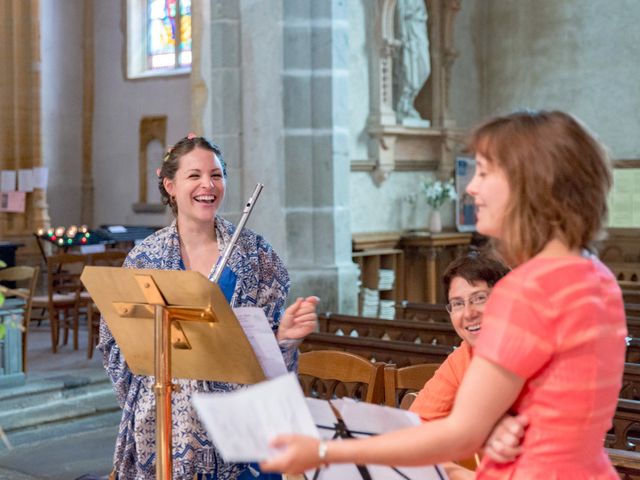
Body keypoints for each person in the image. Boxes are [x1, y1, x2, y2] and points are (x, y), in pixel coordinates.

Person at [261, 110, 627, 478]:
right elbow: (561, 404)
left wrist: (324, 450)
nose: (471, 187)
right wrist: (498, 430)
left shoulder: (528, 289)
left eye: (484, 172)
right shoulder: (594, 276)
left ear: (530, 183)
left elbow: (457, 435)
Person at [99, 134, 319, 479]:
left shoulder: (257, 255)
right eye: (194, 175)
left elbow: (272, 359)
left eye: (216, 175)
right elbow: (115, 343)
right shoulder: (144, 258)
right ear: (170, 185)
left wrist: (285, 337)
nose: (208, 185)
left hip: (239, 421)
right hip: (167, 420)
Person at [409, 250, 509, 422]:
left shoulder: (527, 351)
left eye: (479, 298)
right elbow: (418, 420)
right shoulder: (464, 356)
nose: (468, 313)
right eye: (458, 304)